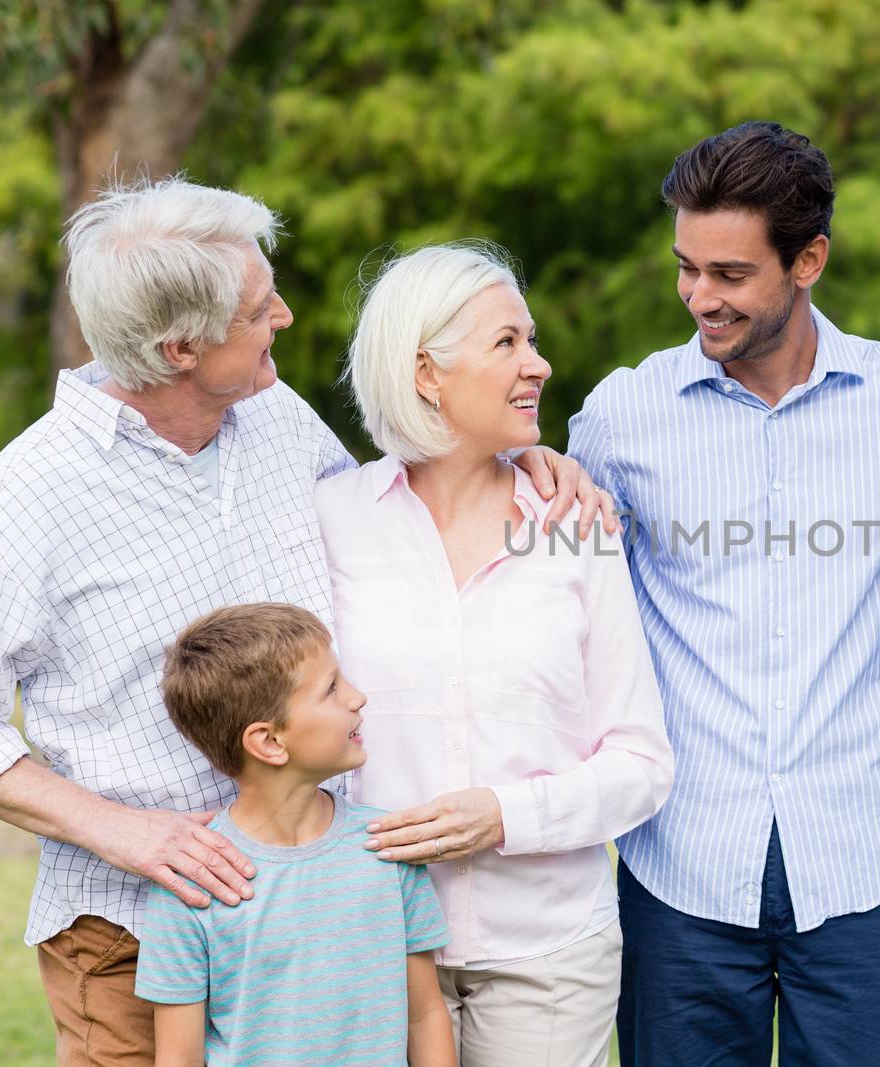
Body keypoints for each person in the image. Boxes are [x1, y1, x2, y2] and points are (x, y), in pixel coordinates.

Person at [0, 177, 607, 1065]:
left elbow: (401, 513)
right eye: (259, 308)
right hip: (135, 933)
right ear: (180, 346)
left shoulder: (277, 420)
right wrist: (126, 832)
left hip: (321, 922)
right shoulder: (30, 495)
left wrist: (525, 460)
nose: (285, 316)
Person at [564, 121, 880, 1067]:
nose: (699, 297)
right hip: (682, 867)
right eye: (686, 268)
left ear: (809, 261)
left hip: (866, 858)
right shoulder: (622, 417)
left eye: (730, 275)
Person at [315, 243, 674, 1067]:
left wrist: (506, 817)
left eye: (532, 339)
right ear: (426, 373)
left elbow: (641, 762)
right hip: (375, 949)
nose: (538, 364)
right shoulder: (331, 519)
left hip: (550, 954)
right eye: (506, 342)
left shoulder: (576, 522)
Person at [136, 603, 454, 1067]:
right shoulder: (194, 884)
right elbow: (178, 1059)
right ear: (269, 742)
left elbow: (424, 1016)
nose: (357, 697)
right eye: (330, 689)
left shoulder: (388, 847)